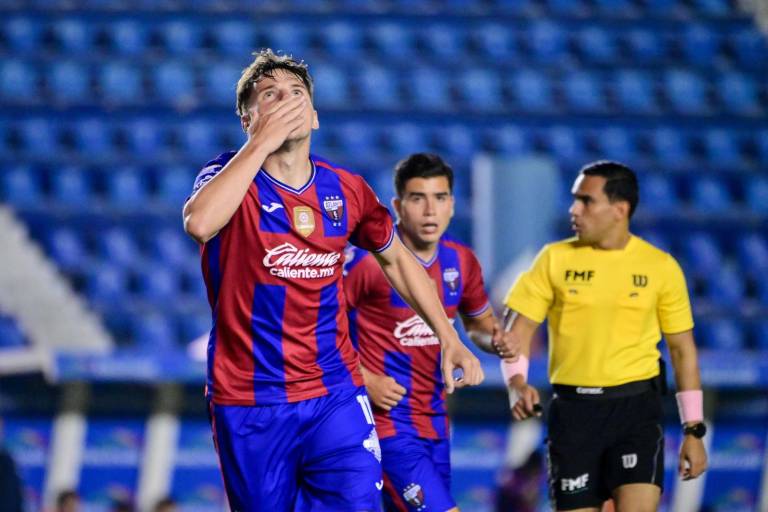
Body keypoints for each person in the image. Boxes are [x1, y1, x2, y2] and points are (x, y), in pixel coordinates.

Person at [182, 49, 484, 511]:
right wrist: (260, 145)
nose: (287, 101)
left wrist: (449, 336)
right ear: (248, 119)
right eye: (270, 95)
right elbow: (200, 223)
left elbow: (399, 261)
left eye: (297, 93)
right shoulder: (227, 177)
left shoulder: (346, 189)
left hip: (334, 393)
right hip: (249, 399)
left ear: (315, 116)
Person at [500, 161, 708, 511]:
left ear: (619, 209)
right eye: (574, 200)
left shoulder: (660, 267)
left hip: (636, 411)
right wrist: (517, 382)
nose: (574, 210)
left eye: (586, 201)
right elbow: (517, 333)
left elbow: (683, 351)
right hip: (574, 414)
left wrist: (694, 430)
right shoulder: (553, 260)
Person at [343, 153, 515, 511]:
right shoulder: (366, 263)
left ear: (452, 204)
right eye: (417, 198)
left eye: (439, 198)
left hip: (435, 423)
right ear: (397, 206)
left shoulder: (461, 261)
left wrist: (496, 340)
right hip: (385, 425)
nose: (429, 210)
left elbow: (479, 325)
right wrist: (364, 378)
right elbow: (318, 329)